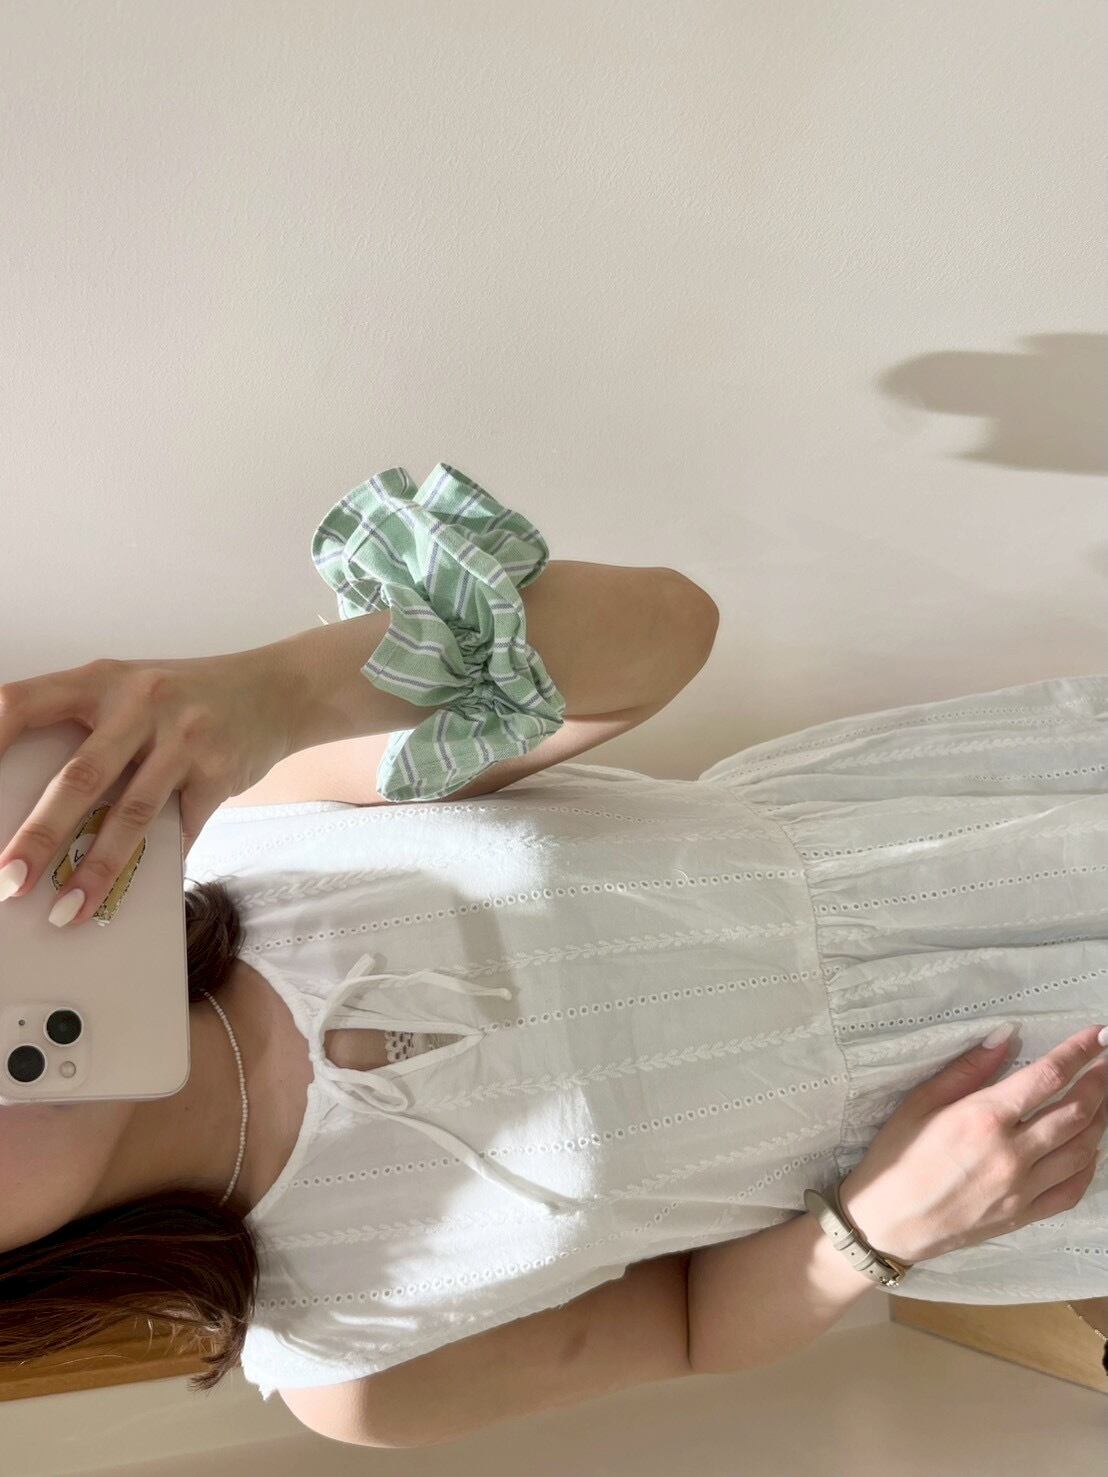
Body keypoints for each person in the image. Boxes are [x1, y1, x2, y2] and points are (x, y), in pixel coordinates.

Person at [0, 464, 1105, 1448]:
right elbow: (692, 1326)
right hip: (1027, 1128)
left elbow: (666, 628)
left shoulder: (259, 830)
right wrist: (889, 1225)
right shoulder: (346, 1360)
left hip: (983, 836)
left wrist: (280, 691)